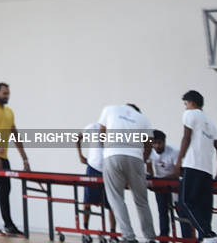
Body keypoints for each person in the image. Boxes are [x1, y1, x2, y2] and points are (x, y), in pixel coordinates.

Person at [97, 102, 155, 243]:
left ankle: (128, 237)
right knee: (141, 200)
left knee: (116, 199)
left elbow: (101, 134)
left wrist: (108, 150)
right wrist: (142, 160)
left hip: (113, 155)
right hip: (135, 157)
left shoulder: (110, 109)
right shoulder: (143, 118)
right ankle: (150, 238)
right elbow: (149, 144)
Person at [172, 90, 217, 243]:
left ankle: (208, 235)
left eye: (185, 104)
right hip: (206, 171)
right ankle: (206, 237)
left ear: (192, 103)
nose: (185, 107)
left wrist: (179, 160)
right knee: (204, 208)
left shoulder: (190, 114)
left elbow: (186, 137)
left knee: (185, 202)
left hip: (193, 165)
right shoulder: (211, 123)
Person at [0, 82, 28, 236]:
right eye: (4, 93)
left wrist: (25, 158)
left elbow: (15, 134)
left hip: (4, 158)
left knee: (5, 191)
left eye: (8, 93)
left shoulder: (9, 111)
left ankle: (8, 224)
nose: (7, 96)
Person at [75, 121, 115, 242]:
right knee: (87, 201)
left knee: (112, 203)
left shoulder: (116, 130)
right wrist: (80, 155)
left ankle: (112, 233)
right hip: (93, 168)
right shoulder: (92, 127)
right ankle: (85, 230)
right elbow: (78, 138)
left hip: (109, 170)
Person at [146, 129, 180, 240]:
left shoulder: (174, 152)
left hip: (175, 185)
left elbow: (177, 173)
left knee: (181, 212)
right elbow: (149, 169)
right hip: (160, 185)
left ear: (164, 142)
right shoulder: (150, 152)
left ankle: (187, 238)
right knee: (162, 211)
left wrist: (161, 180)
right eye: (154, 143)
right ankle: (164, 237)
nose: (156, 146)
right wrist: (152, 181)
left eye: (159, 143)